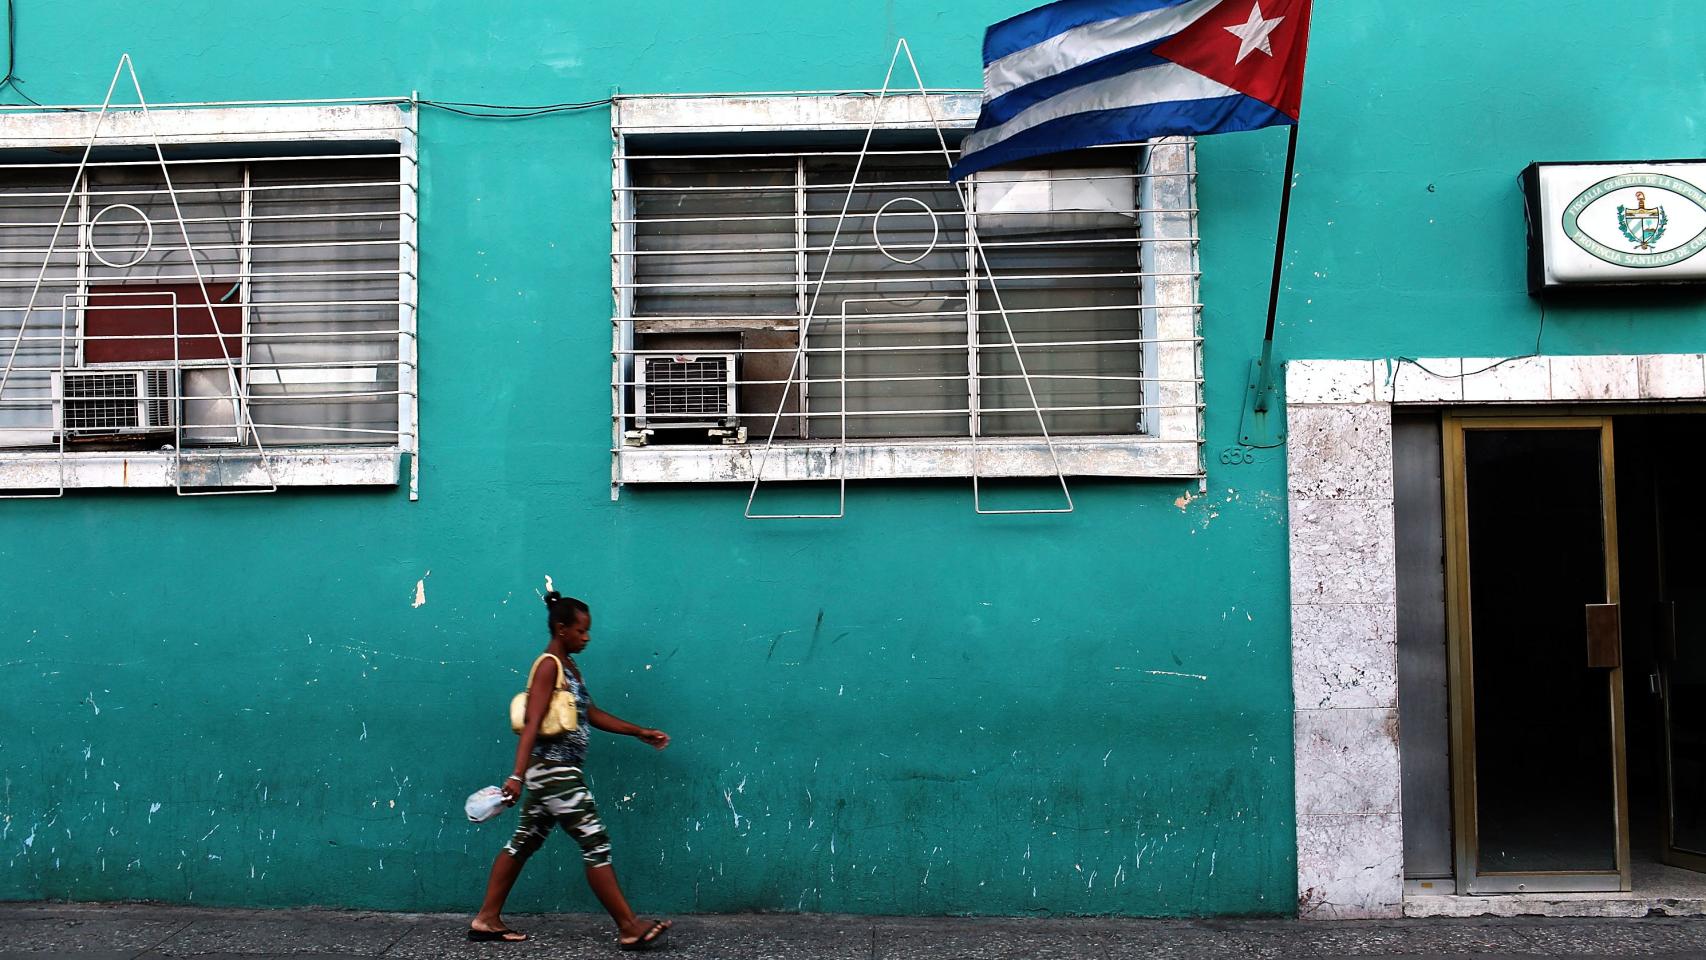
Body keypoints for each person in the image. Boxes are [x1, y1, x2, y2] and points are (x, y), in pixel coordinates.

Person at [468, 591, 672, 950]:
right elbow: (532, 721)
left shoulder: (569, 667)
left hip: (551, 774)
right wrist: (516, 775)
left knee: (524, 842)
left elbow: (590, 714)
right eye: (581, 631)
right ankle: (629, 926)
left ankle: (486, 919)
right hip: (555, 772)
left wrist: (638, 731)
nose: (587, 637)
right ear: (562, 629)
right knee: (595, 842)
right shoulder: (548, 665)